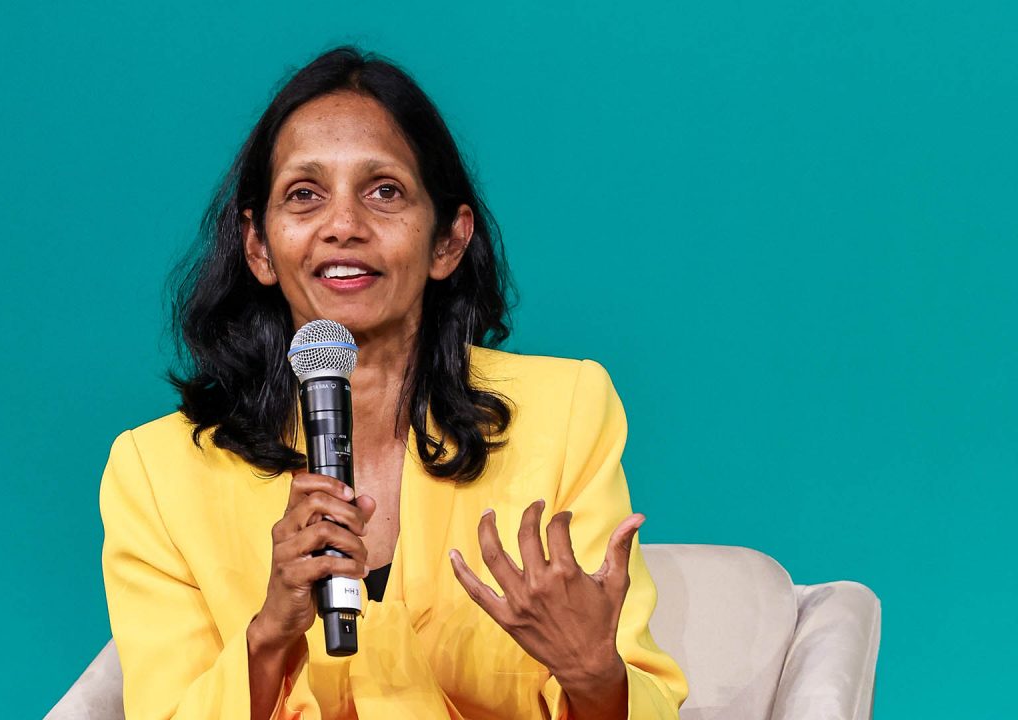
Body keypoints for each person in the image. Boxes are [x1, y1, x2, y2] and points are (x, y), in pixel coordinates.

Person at [100, 46, 688, 720]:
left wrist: (594, 677)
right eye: (304, 195)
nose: (343, 226)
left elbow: (640, 698)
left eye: (384, 191)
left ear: (447, 241)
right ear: (258, 246)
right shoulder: (156, 475)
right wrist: (269, 636)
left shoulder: (565, 414)